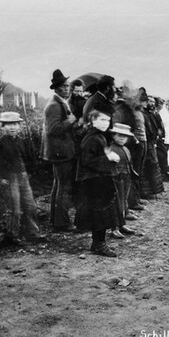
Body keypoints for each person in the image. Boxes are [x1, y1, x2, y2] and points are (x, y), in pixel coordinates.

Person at [0, 111, 42, 246]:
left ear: (20, 126)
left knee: (30, 206)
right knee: (15, 208)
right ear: (2, 126)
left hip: (23, 177)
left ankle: (33, 233)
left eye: (15, 124)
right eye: (8, 125)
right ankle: (13, 235)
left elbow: (30, 159)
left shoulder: (23, 142)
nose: (12, 128)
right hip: (10, 178)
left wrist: (30, 172)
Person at [75, 110, 121, 257]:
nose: (105, 123)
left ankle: (99, 242)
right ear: (93, 121)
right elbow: (87, 161)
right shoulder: (91, 138)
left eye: (107, 121)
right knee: (99, 212)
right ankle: (98, 244)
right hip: (94, 180)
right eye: (102, 120)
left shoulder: (98, 136)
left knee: (102, 211)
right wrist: (109, 158)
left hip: (99, 178)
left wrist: (108, 156)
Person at [42, 69, 77, 232]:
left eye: (68, 86)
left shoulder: (60, 102)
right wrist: (70, 121)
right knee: (63, 187)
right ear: (56, 88)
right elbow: (53, 129)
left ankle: (57, 220)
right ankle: (62, 222)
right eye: (64, 86)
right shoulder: (54, 106)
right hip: (61, 153)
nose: (68, 89)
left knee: (59, 185)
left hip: (61, 152)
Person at [107, 122, 139, 239]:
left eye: (124, 136)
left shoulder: (125, 149)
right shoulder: (111, 149)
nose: (122, 138)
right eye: (119, 135)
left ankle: (122, 224)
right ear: (113, 135)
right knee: (116, 204)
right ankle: (114, 228)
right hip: (116, 178)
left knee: (123, 201)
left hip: (126, 177)